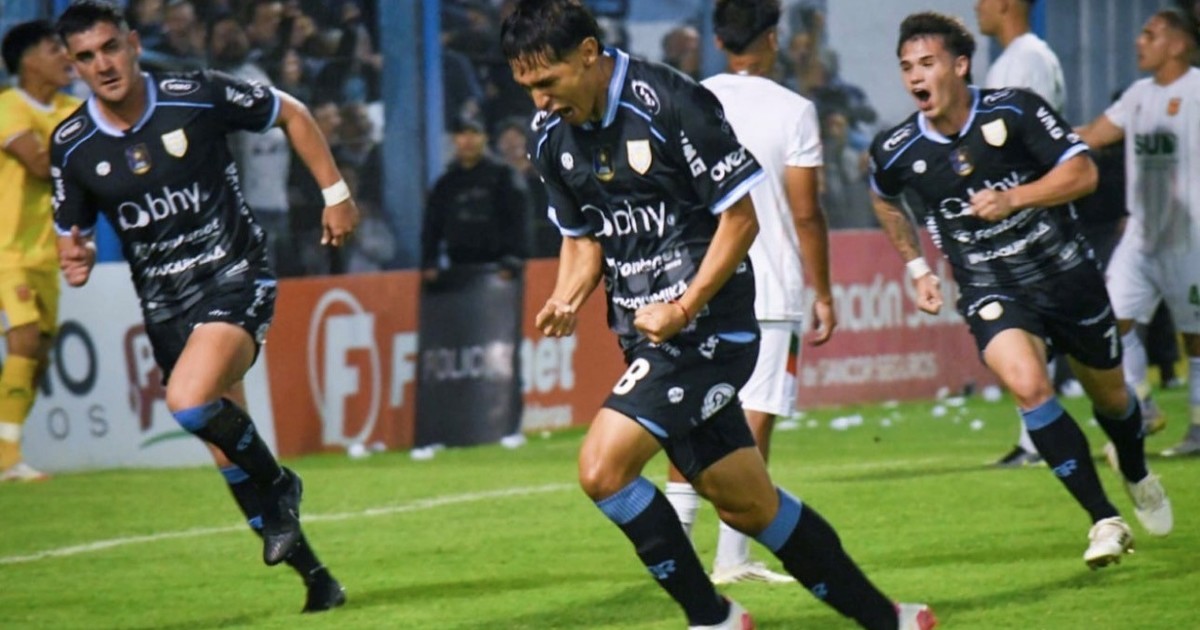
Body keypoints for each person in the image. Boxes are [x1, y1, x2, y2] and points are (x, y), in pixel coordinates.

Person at [502, 1, 934, 628]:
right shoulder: (551, 136)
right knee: (750, 506)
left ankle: (713, 618)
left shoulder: (671, 103)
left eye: (547, 82)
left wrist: (683, 307)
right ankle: (891, 620)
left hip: (710, 328)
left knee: (602, 470)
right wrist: (566, 297)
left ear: (589, 54)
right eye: (526, 87)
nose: (539, 101)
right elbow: (584, 238)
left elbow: (740, 219)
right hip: (647, 336)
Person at [50, 0, 355, 612]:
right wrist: (76, 258)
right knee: (225, 451)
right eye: (86, 56)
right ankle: (317, 579)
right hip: (165, 306)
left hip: (233, 273)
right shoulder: (72, 144)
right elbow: (70, 234)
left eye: (110, 47)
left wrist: (336, 193)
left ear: (134, 44)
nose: (102, 64)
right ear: (73, 67)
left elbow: (291, 113)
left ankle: (281, 484)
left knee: (189, 401)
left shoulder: (196, 95)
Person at [868, 11, 1172, 569]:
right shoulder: (897, 147)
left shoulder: (1016, 110)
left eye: (927, 63)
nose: (915, 76)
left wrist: (1014, 198)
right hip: (992, 288)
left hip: (1067, 279)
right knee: (1029, 388)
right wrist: (916, 267)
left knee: (1112, 399)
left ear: (960, 66)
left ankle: (1134, 468)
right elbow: (884, 196)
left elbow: (1083, 173)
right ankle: (1104, 519)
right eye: (907, 67)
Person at [661, 0, 838, 588]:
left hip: (697, 286)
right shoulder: (794, 111)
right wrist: (823, 292)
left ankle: (677, 551)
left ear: (718, 40)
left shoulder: (688, 100)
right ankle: (732, 558)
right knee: (753, 423)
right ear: (772, 39)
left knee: (691, 414)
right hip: (769, 292)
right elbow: (806, 213)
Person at [1076, 9, 1200, 458]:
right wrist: (1040, 139)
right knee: (1110, 319)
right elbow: (1093, 135)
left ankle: (1199, 428)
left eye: (1150, 35)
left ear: (1178, 44)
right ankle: (1142, 404)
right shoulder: (1137, 95)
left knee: (1195, 337)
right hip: (1141, 235)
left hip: (1190, 236)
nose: (1139, 42)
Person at [976, 0, 1072, 467]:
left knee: (1029, 324)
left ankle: (1039, 442)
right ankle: (1034, 439)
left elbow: (1022, 142)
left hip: (1025, 217)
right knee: (1031, 325)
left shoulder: (1025, 60)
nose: (977, 5)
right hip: (1021, 212)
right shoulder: (1023, 58)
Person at [0, 20, 80, 482]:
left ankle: (6, 444)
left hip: (46, 253)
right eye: (54, 49)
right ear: (28, 60)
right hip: (6, 251)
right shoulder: (8, 107)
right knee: (25, 339)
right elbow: (37, 163)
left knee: (40, 358)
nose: (66, 57)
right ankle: (8, 458)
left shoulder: (71, 108)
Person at [420, 113, 528, 281]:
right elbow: (431, 228)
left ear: (485, 137)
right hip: (457, 270)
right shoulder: (445, 184)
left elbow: (519, 222)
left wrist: (514, 260)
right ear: (454, 139)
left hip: (501, 272)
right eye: (462, 134)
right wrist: (429, 262)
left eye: (475, 133)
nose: (468, 140)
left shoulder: (504, 177)